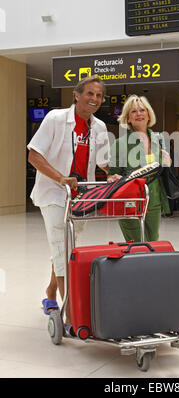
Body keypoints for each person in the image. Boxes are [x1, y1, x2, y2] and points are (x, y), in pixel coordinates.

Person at [27, 75, 115, 326]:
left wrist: (113, 173)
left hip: (80, 196)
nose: (94, 99)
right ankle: (70, 316)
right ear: (76, 95)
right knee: (63, 248)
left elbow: (103, 161)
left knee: (66, 248)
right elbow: (34, 155)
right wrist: (61, 179)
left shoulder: (98, 127)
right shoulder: (55, 118)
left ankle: (50, 292)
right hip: (54, 194)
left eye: (99, 96)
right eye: (90, 94)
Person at [108, 95, 171, 242]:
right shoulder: (120, 144)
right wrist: (113, 178)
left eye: (142, 110)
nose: (139, 114)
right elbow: (112, 175)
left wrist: (167, 163)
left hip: (154, 200)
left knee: (152, 242)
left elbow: (162, 171)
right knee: (136, 245)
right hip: (129, 201)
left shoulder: (159, 140)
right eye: (133, 111)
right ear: (128, 118)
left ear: (149, 115)